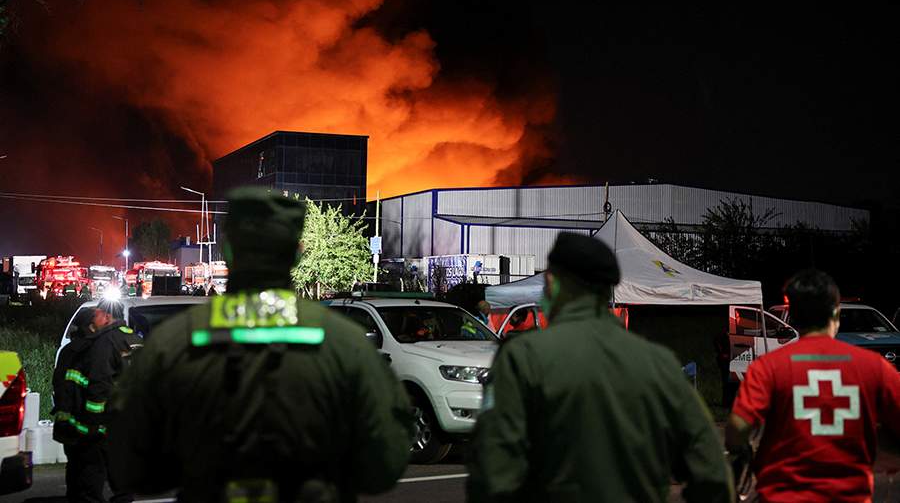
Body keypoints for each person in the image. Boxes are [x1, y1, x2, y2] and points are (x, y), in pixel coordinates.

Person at [108, 187, 413, 502]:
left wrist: (196, 461)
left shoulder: (173, 342)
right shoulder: (344, 343)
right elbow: (386, 464)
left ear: (228, 250)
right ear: (297, 253)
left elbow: (127, 465)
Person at [468, 232, 732, 503]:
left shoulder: (522, 358)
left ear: (551, 283)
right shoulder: (660, 364)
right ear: (608, 289)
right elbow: (711, 470)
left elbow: (492, 466)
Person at [725, 269, 900, 501]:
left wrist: (743, 448)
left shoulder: (768, 367)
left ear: (793, 317)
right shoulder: (874, 366)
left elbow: (737, 427)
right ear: (836, 313)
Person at [53, 301, 137, 502]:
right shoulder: (129, 341)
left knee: (84, 475)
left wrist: (93, 424)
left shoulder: (92, 347)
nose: (102, 319)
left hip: (85, 425)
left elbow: (94, 386)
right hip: (97, 424)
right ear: (91, 326)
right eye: (97, 316)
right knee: (100, 475)